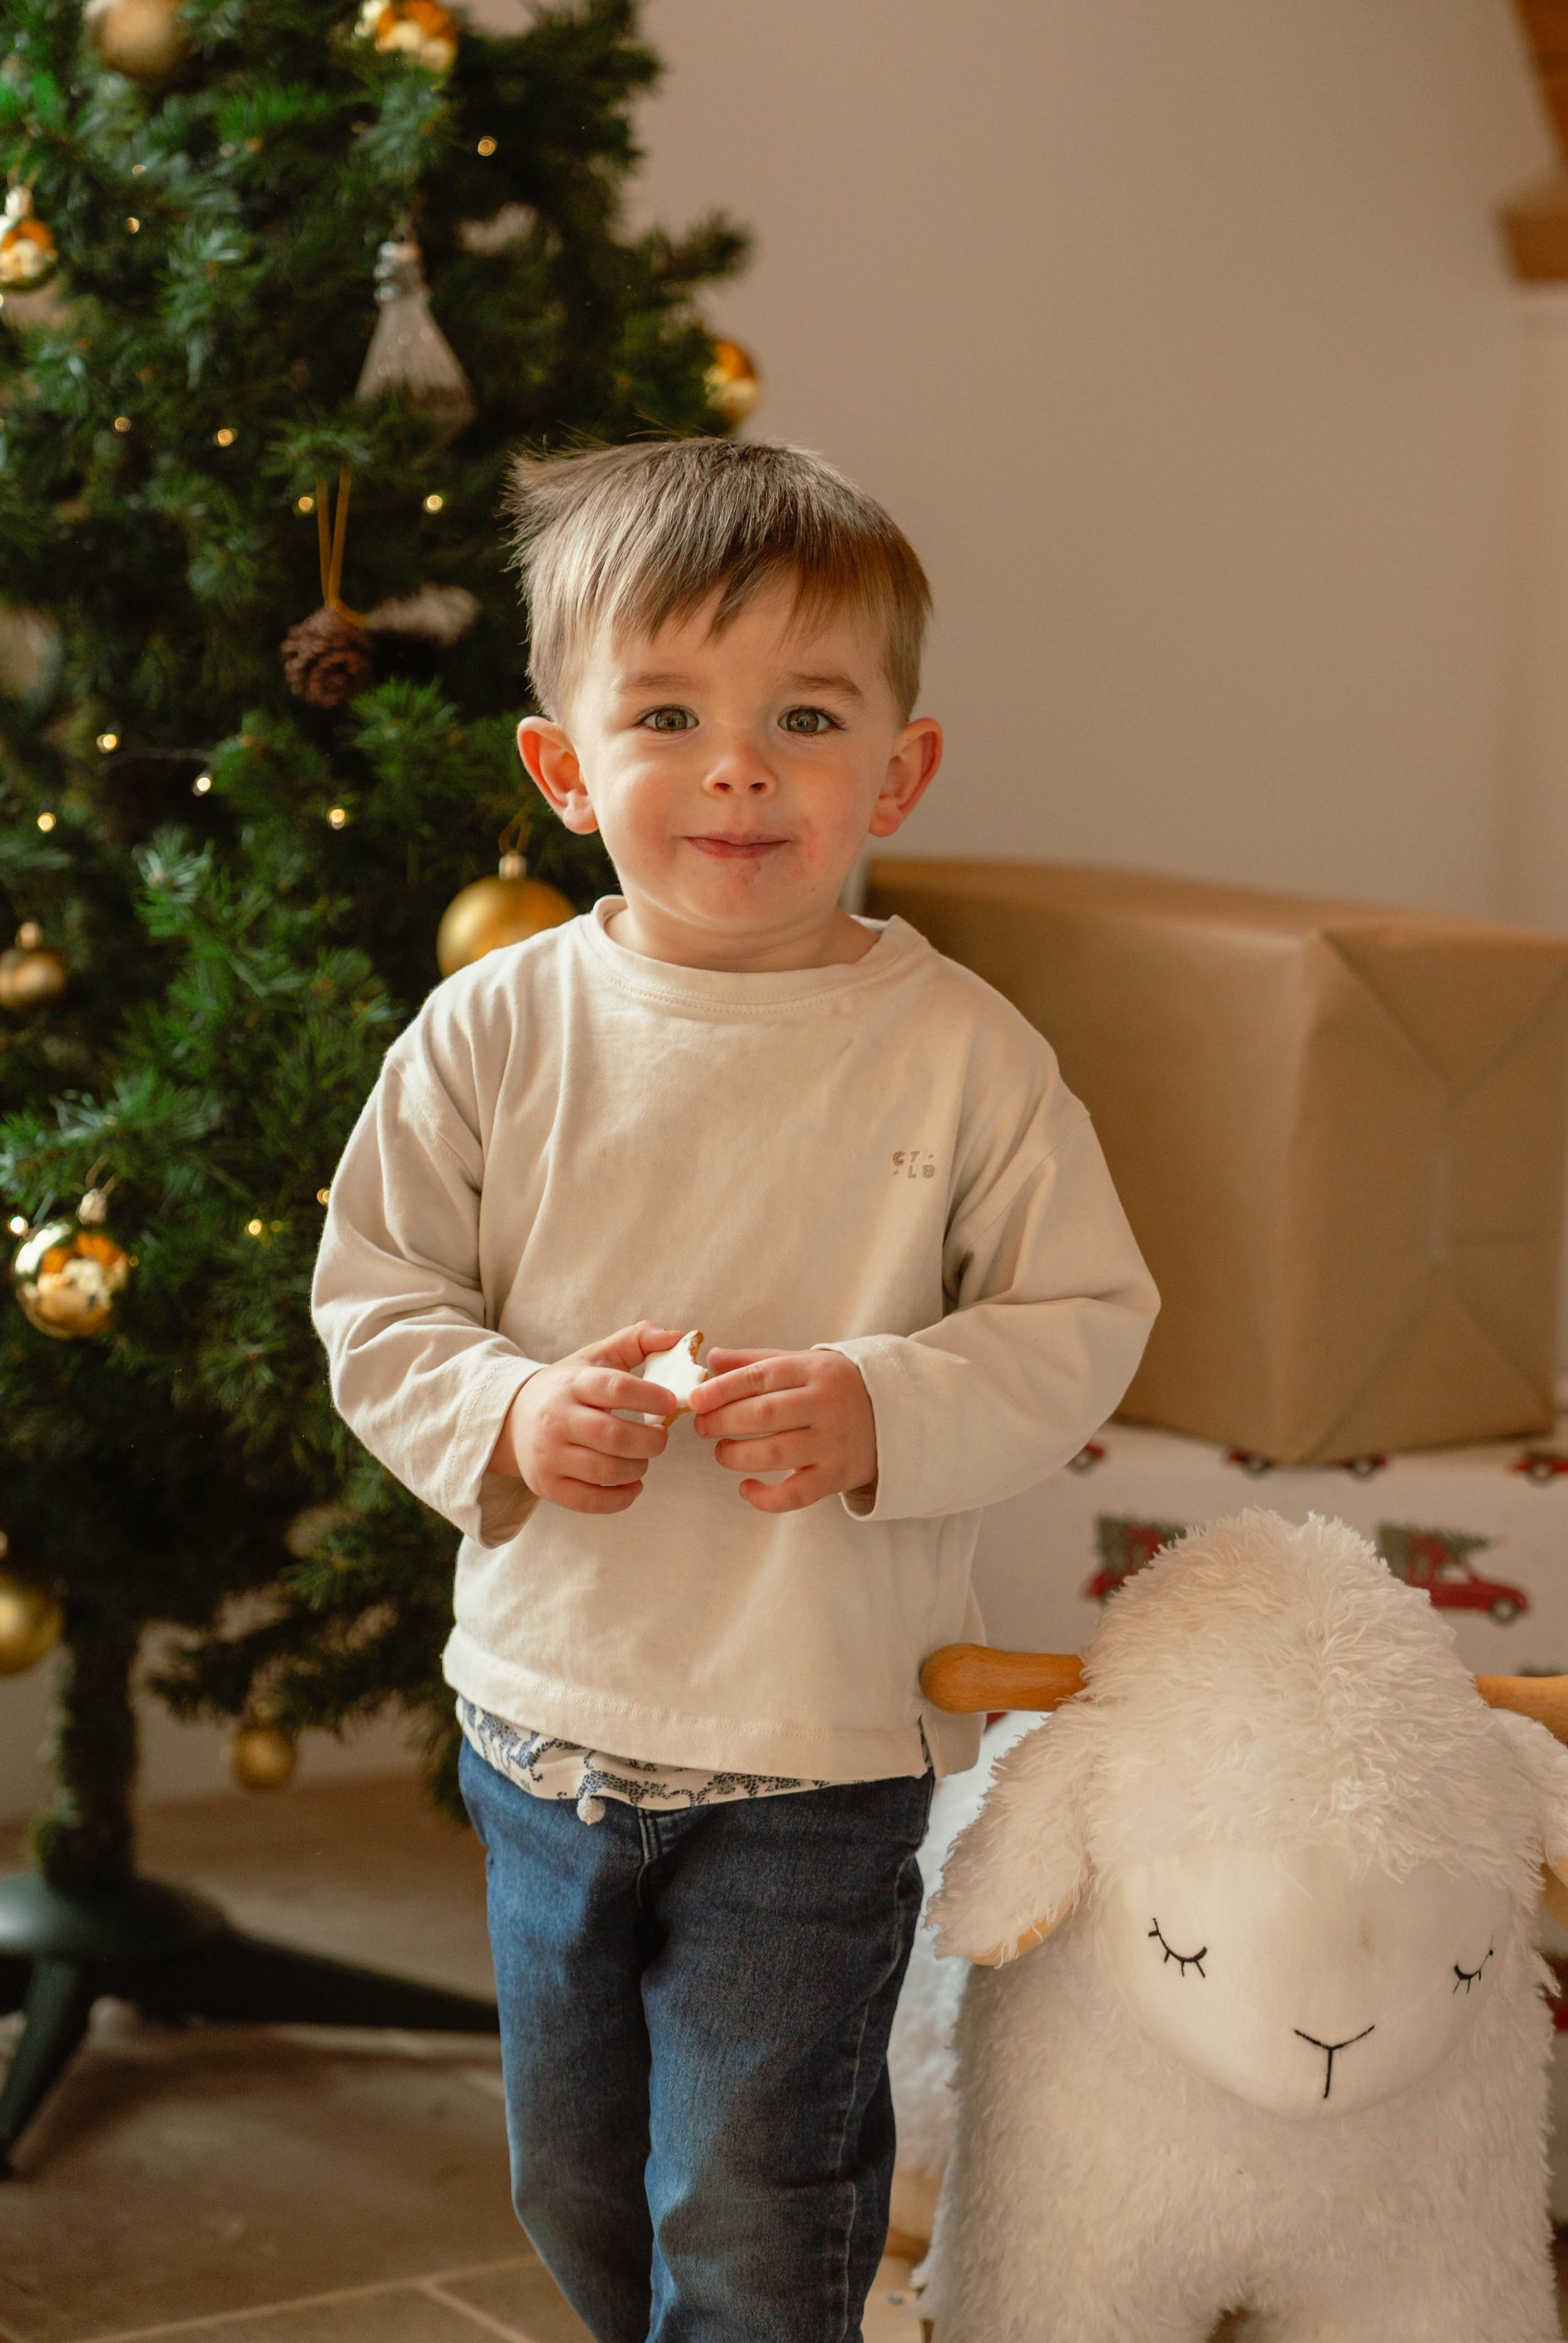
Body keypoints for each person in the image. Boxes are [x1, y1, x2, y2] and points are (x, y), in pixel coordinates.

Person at [311, 436, 1159, 2342]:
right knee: (577, 2168)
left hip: (811, 1742)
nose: (738, 767)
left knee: (748, 2197)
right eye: (670, 713)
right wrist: (509, 1419)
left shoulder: (960, 1055)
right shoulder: (497, 1030)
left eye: (804, 713)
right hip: (542, 1720)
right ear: (564, 766)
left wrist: (880, 1405)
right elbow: (377, 1296)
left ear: (899, 768)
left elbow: (1084, 1311)